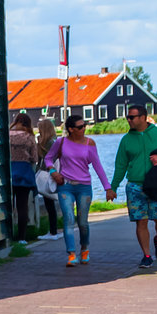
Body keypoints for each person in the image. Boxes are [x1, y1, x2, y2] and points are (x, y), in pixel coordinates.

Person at [109, 104, 157, 269]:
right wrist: (113, 187)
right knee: (141, 222)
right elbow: (120, 165)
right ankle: (146, 255)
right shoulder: (126, 140)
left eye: (132, 117)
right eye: (128, 117)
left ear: (143, 117)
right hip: (135, 186)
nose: (129, 120)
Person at [42, 113, 110, 266]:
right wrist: (53, 172)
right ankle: (71, 254)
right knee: (68, 219)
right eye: (80, 127)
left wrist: (107, 187)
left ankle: (84, 248)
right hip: (65, 185)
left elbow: (98, 166)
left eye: (84, 125)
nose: (84, 129)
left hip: (84, 187)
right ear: (71, 129)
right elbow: (48, 158)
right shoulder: (61, 142)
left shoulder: (89, 143)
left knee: (83, 222)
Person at [9, 113, 38, 243]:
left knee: (8, 205)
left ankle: (7, 236)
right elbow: (34, 158)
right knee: (22, 206)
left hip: (9, 172)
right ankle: (22, 237)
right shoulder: (29, 137)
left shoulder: (7, 135)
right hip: (24, 173)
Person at [34, 118, 61, 238]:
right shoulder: (53, 141)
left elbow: (44, 161)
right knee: (51, 203)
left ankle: (53, 231)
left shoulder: (48, 143)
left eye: (40, 128)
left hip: (48, 175)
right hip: (53, 174)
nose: (38, 130)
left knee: (49, 203)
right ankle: (54, 230)